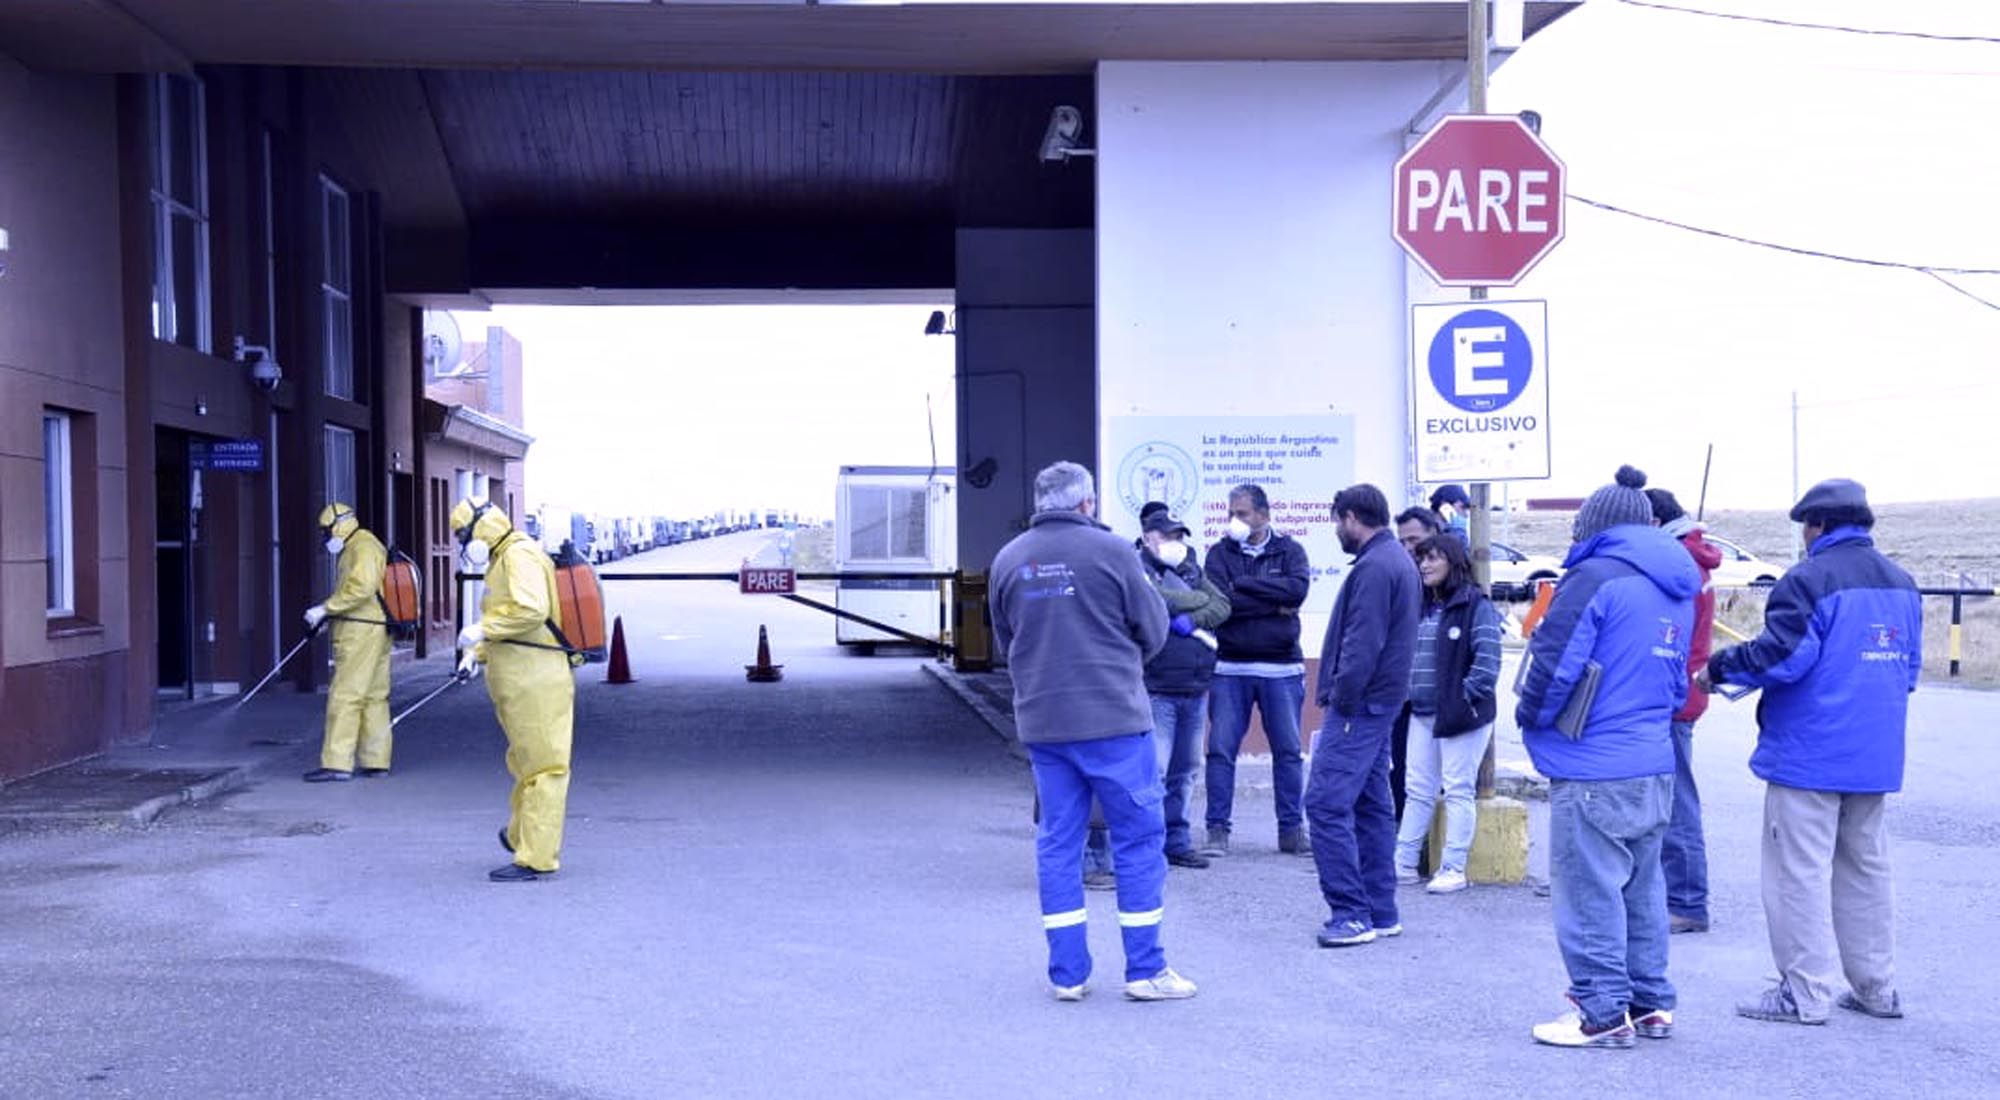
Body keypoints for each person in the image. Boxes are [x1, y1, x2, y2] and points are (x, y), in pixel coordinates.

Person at [1703, 479, 1920, 1026]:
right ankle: (1877, 988)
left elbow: (1784, 658)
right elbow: (1909, 672)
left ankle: (1804, 993)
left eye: (1805, 526)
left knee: (1796, 873)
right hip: (1875, 756)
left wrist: (1718, 670)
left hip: (1808, 754)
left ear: (1816, 524)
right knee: (1866, 870)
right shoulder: (1902, 583)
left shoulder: (1808, 580)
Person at [990, 462, 1196, 1002]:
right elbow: (1153, 631)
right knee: (1138, 839)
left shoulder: (1008, 559)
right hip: (1114, 721)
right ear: (1087, 504)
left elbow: (1004, 639)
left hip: (1044, 724)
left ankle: (1068, 975)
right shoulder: (1114, 554)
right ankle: (1146, 970)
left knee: (1059, 843)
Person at [1517, 466, 1697, 1048]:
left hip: (1593, 763)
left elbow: (1552, 665)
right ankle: (1650, 1003)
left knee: (1590, 890)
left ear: (1593, 525)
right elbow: (1676, 686)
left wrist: (1530, 718)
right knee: (1643, 889)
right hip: (1653, 759)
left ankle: (1601, 1012)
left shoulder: (1593, 577)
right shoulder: (1678, 582)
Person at [1305, 484, 1421, 947]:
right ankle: (1380, 908)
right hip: (1380, 703)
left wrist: (1344, 700)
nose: (1337, 530)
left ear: (1352, 517)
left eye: (1337, 521)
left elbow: (1362, 643)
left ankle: (1351, 914)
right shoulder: (1396, 561)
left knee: (1325, 803)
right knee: (1372, 805)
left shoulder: (1375, 566)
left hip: (1360, 704)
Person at [451, 498, 578, 884]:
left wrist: (482, 631)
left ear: (482, 529)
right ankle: (521, 835)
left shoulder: (518, 556)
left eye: (463, 535)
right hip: (521, 679)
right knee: (526, 765)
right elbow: (511, 621)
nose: (462, 543)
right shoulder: (504, 557)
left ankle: (536, 858)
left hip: (535, 679)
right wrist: (477, 654)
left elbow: (529, 611)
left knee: (545, 768)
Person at [1203, 483, 1313, 856]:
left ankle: (1291, 831)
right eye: (1231, 513)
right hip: (1230, 665)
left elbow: (1296, 592)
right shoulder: (1219, 554)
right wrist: (1272, 601)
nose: (1234, 520)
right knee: (1220, 751)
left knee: (1287, 752)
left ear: (1264, 515)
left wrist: (1245, 586)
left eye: (1243, 513)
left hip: (1281, 667)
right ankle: (1217, 831)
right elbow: (1220, 601)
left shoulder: (1290, 550)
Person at [1394, 533, 1503, 895]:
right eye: (1421, 558)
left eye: (1433, 558)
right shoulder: (1420, 605)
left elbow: (1487, 664)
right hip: (1421, 713)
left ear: (1453, 563)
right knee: (1418, 790)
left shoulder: (1475, 605)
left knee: (1457, 789)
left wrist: (1461, 700)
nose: (1424, 564)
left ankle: (1453, 868)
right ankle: (1403, 863)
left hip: (1461, 716)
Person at [1645, 486, 1724, 934]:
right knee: (1668, 797)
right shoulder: (1692, 556)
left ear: (1654, 524)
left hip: (1674, 694)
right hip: (1683, 690)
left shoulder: (1679, 563)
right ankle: (1675, 895)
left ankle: (1688, 903)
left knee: (1676, 802)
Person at [302, 504, 393, 783]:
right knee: (373, 696)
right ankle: (376, 760)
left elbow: (360, 588)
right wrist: (331, 616)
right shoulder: (362, 545)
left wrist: (325, 609)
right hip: (374, 627)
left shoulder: (361, 547)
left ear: (340, 525)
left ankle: (337, 763)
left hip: (360, 631)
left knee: (346, 694)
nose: (325, 537)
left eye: (327, 530)